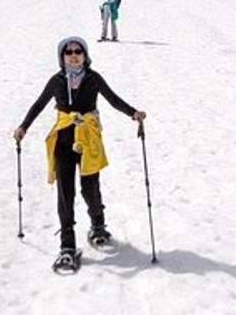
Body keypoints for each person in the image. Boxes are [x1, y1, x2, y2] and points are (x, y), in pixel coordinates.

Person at [13, 36, 146, 272]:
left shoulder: (93, 79)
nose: (73, 55)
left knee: (90, 188)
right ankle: (67, 245)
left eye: (78, 51)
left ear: (85, 55)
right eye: (68, 52)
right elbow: (38, 105)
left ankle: (97, 225)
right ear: (62, 57)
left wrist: (133, 113)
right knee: (66, 194)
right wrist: (23, 127)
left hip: (88, 142)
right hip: (63, 142)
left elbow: (113, 99)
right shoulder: (56, 81)